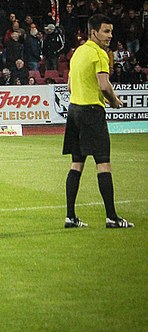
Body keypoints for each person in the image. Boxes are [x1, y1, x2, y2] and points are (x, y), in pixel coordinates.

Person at [62, 14, 134, 229]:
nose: (110, 36)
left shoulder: (78, 52)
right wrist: (114, 101)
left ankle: (70, 217)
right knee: (103, 163)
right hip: (91, 112)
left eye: (111, 31)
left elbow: (70, 87)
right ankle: (112, 217)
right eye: (106, 31)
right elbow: (104, 85)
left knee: (77, 164)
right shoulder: (99, 54)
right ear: (93, 32)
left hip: (74, 111)